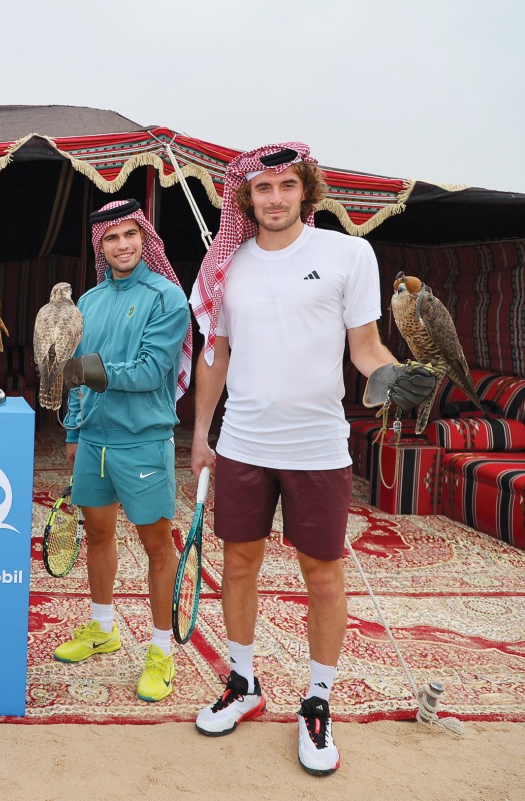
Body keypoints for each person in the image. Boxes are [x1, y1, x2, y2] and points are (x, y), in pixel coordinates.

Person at [187, 142, 435, 775]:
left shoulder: (349, 254)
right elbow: (214, 353)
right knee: (239, 565)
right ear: (247, 198)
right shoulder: (226, 265)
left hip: (317, 447)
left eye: (286, 187)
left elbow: (366, 346)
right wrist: (200, 435)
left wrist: (391, 375)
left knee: (322, 574)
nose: (274, 199)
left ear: (307, 191)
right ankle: (244, 683)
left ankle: (317, 701)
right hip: (242, 440)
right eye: (263, 189)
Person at [57, 199, 194, 703]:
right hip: (93, 441)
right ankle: (102, 628)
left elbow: (151, 371)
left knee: (158, 546)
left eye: (131, 234)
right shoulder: (87, 303)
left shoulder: (167, 298)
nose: (122, 245)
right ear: (100, 246)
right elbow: (73, 377)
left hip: (142, 441)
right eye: (111, 238)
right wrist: (73, 431)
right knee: (97, 534)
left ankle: (162, 652)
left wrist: (88, 373)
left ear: (145, 238)